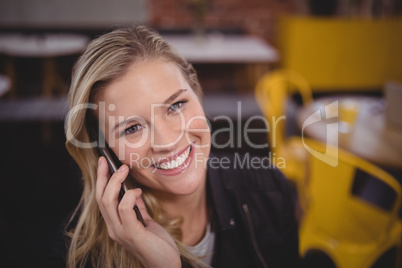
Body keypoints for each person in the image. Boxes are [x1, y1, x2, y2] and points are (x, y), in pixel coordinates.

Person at [54, 25, 299, 268]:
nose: (168, 141)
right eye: (132, 129)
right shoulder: (80, 254)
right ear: (105, 151)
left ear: (197, 94)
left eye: (176, 105)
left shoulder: (269, 189)